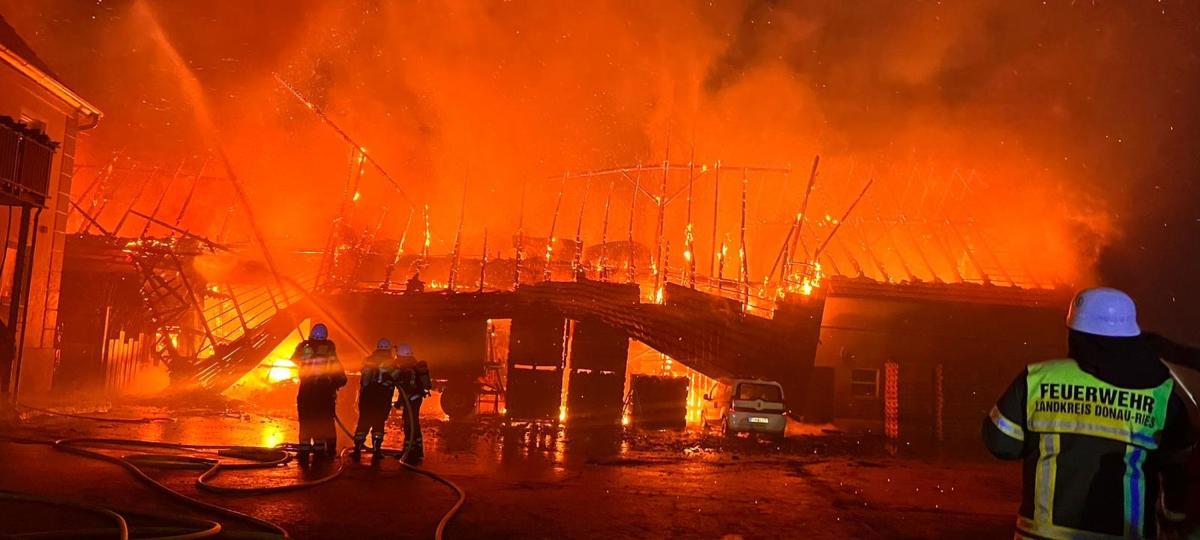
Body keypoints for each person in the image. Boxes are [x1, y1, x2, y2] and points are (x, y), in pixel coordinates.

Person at [983, 287, 1194, 539]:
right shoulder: (1160, 393)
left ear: (1074, 334)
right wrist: (1174, 516)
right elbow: (1178, 468)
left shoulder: (1038, 379)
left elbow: (1000, 443)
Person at [293, 322, 347, 465]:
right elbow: (339, 373)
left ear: (311, 335)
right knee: (321, 422)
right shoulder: (329, 350)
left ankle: (304, 453)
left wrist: (303, 347)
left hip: (306, 391)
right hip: (324, 393)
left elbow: (294, 359)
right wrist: (336, 383)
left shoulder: (304, 348)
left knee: (306, 422)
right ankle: (319, 453)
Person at [353, 338, 400, 461]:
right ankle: (376, 450)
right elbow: (396, 378)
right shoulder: (391, 363)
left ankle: (357, 449)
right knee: (378, 424)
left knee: (363, 422)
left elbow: (363, 378)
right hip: (382, 398)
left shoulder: (368, 360)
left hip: (367, 397)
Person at [394, 343, 432, 462]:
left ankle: (410, 451)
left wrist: (400, 401)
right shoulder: (411, 365)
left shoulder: (407, 369)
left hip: (412, 400)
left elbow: (405, 388)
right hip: (414, 399)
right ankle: (415, 450)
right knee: (412, 423)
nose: (397, 357)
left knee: (409, 424)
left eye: (398, 355)